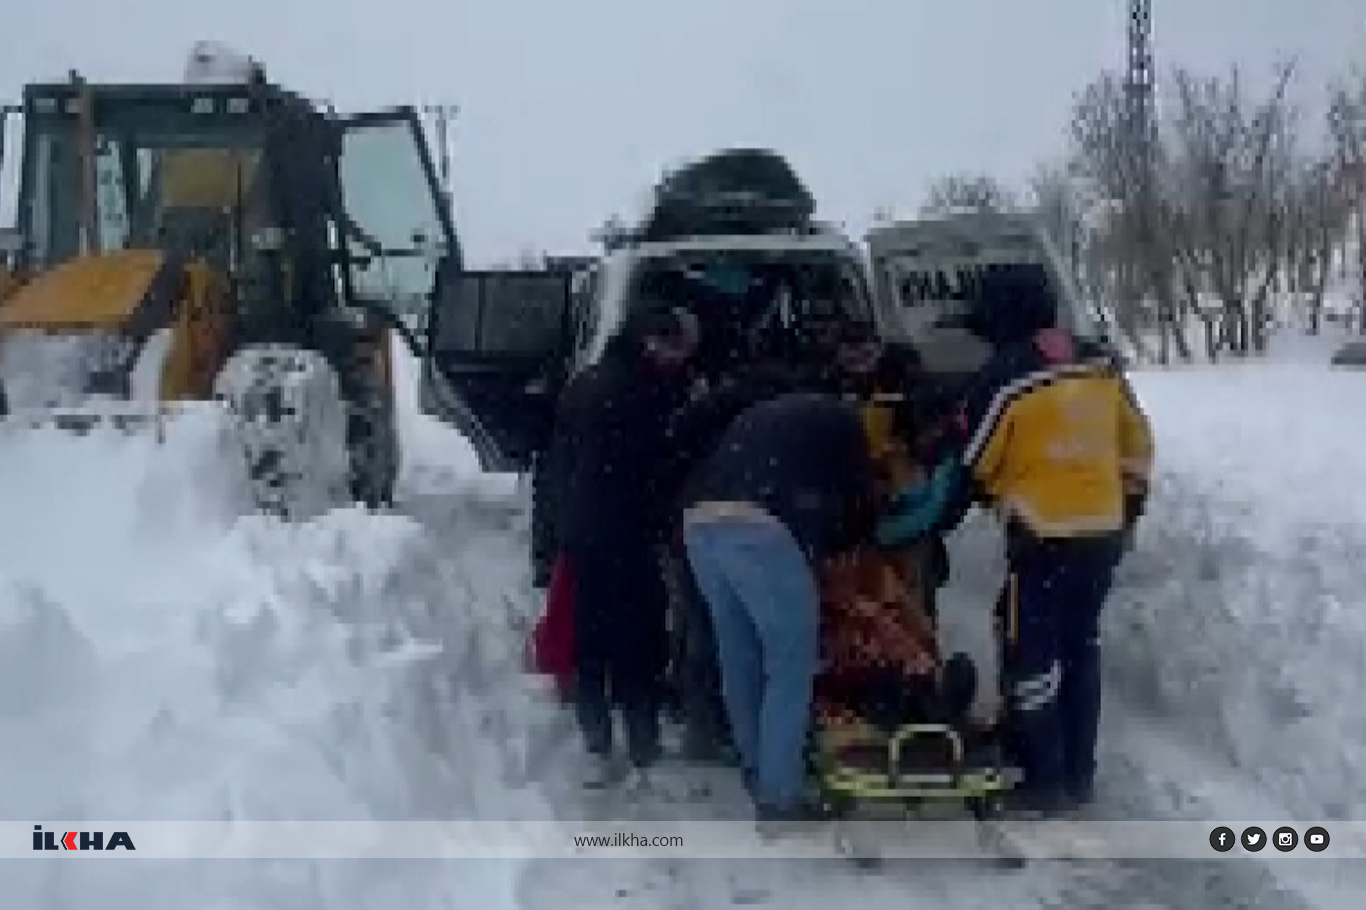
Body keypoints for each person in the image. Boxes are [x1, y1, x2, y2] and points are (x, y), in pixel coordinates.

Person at [939, 265, 1154, 814]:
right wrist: (1126, 509)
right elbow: (1137, 444)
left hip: (1043, 538)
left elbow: (976, 458)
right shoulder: (1102, 362)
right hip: (1103, 533)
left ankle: (1042, 778)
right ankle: (1079, 773)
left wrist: (989, 490)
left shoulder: (1004, 374)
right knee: (1080, 647)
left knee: (1029, 656)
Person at [680, 391, 878, 824]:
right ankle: (780, 794)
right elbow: (861, 501)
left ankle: (757, 766)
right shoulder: (847, 427)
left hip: (698, 522)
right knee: (790, 664)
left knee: (740, 655)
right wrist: (850, 542)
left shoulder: (766, 415)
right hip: (760, 525)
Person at [560, 303, 701, 780]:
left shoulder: (587, 380)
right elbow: (654, 468)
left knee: (591, 633)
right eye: (676, 350)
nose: (680, 361)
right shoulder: (642, 393)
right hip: (626, 530)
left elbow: (558, 460)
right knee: (638, 633)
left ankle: (596, 736)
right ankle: (642, 741)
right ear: (652, 343)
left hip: (584, 527)